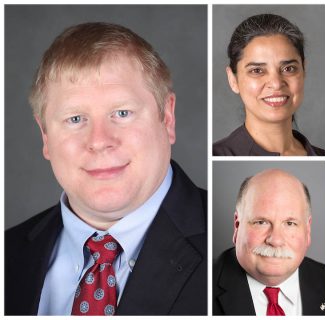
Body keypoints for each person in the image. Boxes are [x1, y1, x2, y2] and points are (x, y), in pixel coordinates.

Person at [5, 22, 207, 315]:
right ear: (45, 136)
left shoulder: (229, 243)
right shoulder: (7, 255)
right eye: (75, 119)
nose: (99, 141)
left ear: (168, 118)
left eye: (122, 113)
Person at [213, 169, 325, 315]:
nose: (276, 240)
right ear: (237, 226)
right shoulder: (203, 286)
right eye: (261, 222)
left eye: (290, 223)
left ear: (308, 230)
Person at [213, 14, 325, 156]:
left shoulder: (324, 156)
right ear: (233, 79)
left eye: (288, 68)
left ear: (304, 70)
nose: (276, 83)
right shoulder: (217, 155)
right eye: (257, 70)